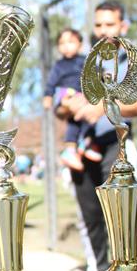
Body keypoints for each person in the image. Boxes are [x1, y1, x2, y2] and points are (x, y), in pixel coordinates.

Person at [54, 1, 137, 271]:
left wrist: (102, 107)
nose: (103, 30)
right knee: (89, 214)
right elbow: (61, 108)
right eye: (98, 25)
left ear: (123, 26)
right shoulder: (84, 62)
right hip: (83, 149)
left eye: (109, 24)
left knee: (121, 216)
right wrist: (68, 105)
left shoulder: (134, 60)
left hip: (116, 145)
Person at [43, 29, 100, 171]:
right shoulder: (59, 65)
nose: (66, 46)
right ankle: (70, 149)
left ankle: (86, 143)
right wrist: (48, 96)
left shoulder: (85, 60)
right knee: (74, 121)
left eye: (70, 42)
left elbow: (94, 72)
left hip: (84, 94)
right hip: (67, 94)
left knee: (87, 118)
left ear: (80, 44)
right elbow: (51, 82)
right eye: (62, 43)